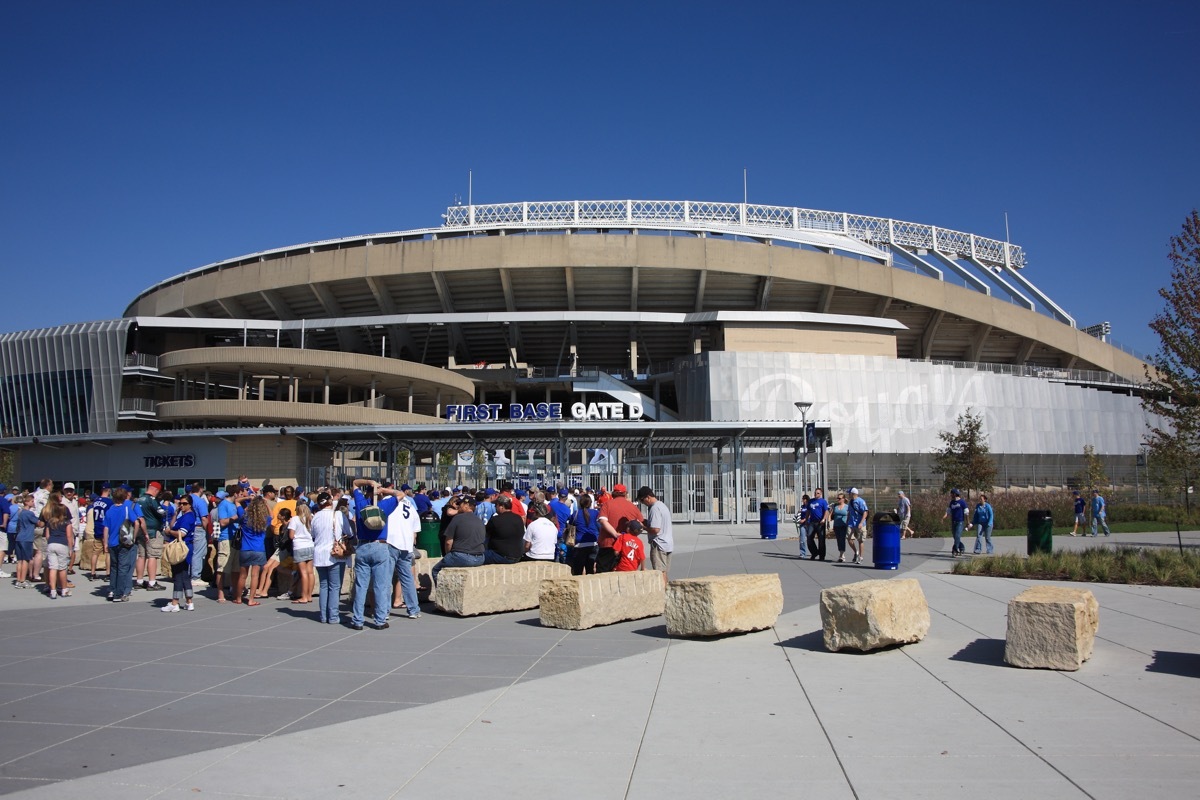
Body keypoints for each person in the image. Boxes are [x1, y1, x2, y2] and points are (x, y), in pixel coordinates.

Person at [349, 479, 399, 630]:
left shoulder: (360, 504)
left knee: (361, 586)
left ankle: (357, 620)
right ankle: (380, 619)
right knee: (381, 585)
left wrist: (369, 482)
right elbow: (400, 494)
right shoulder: (384, 506)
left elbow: (355, 483)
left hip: (363, 545)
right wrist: (385, 490)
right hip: (380, 545)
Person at [378, 484, 421, 619]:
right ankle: (414, 609)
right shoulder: (409, 503)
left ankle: (384, 612)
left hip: (391, 542)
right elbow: (416, 529)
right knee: (407, 578)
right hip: (406, 544)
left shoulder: (387, 502)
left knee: (385, 579)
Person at [310, 492, 348, 624]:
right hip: (334, 553)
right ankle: (333, 616)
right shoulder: (338, 515)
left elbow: (313, 534)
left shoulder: (315, 517)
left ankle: (323, 615)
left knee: (324, 585)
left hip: (319, 553)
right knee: (335, 586)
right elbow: (349, 532)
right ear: (330, 501)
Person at [431, 495, 486, 583]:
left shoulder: (457, 518)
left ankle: (444, 596)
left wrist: (448, 556)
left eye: (460, 504)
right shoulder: (479, 521)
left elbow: (448, 542)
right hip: (480, 558)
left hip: (462, 557)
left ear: (466, 505)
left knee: (436, 570)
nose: (458, 506)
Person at [102, 487, 142, 602]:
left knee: (114, 567)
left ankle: (112, 590)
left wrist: (105, 542)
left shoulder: (109, 510)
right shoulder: (126, 508)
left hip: (112, 542)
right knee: (123, 568)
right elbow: (136, 522)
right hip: (124, 542)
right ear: (125, 497)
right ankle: (119, 593)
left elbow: (106, 528)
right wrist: (133, 537)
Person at [162, 496, 196, 612]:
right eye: (180, 503)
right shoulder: (184, 516)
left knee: (178, 575)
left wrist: (169, 532)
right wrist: (175, 514)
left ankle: (175, 602)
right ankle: (189, 601)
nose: (181, 506)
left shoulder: (188, 517)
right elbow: (173, 525)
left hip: (181, 548)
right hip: (185, 547)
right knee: (185, 575)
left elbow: (182, 533)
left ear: (190, 504)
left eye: (184, 503)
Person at [236, 495, 271, 607]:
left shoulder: (244, 517)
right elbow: (272, 515)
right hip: (259, 550)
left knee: (242, 575)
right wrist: (265, 503)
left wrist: (249, 498)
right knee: (255, 575)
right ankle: (251, 599)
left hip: (245, 548)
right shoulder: (264, 519)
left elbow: (236, 501)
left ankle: (238, 598)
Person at [38, 493, 74, 598]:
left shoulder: (50, 522)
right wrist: (70, 548)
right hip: (62, 544)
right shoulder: (67, 522)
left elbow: (48, 535)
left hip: (51, 544)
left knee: (52, 567)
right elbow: (69, 536)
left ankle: (52, 590)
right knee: (62, 568)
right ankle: (63, 589)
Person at [134, 482, 167, 592]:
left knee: (141, 556)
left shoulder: (139, 499)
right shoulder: (152, 500)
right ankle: (152, 582)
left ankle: (139, 580)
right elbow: (161, 512)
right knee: (152, 555)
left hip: (140, 531)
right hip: (152, 531)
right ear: (156, 490)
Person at [636, 486, 674, 575]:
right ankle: (665, 588)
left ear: (648, 497)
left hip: (659, 544)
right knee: (664, 572)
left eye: (642, 500)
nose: (642, 503)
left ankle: (662, 589)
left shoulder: (654, 508)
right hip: (667, 543)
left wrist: (643, 527)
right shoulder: (662, 505)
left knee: (659, 573)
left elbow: (655, 529)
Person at [214, 485, 243, 603]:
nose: (242, 496)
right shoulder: (224, 504)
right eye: (241, 494)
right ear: (235, 494)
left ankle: (235, 590)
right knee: (222, 567)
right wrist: (236, 517)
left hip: (236, 539)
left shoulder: (235, 505)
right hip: (226, 538)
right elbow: (222, 522)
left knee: (236, 568)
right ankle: (220, 593)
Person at [286, 504, 316, 603]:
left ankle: (303, 596)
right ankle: (309, 595)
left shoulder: (295, 519)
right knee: (310, 572)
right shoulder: (311, 518)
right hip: (310, 545)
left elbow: (291, 535)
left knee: (303, 573)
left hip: (299, 546)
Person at [484, 494, 526, 564]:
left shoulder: (495, 520)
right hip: (517, 556)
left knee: (478, 556)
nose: (495, 507)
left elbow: (486, 534)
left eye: (496, 505)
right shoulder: (518, 518)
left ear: (502, 507)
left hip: (501, 556)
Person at [568, 493, 600, 575]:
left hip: (579, 545)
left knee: (577, 571)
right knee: (590, 570)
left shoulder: (575, 514)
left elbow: (570, 524)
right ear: (590, 503)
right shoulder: (596, 513)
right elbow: (599, 526)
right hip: (593, 544)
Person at [87, 483, 113, 580]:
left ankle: (92, 573)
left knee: (95, 552)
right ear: (108, 490)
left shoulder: (96, 501)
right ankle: (108, 573)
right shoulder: (109, 502)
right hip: (105, 528)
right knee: (108, 552)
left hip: (97, 527)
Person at [12, 494, 38, 588]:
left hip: (19, 537)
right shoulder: (29, 513)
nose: (33, 503)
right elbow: (38, 522)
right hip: (27, 538)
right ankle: (22, 580)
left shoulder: (20, 512)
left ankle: (19, 580)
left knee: (19, 560)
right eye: (31, 501)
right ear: (27, 502)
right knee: (26, 560)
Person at [187, 482, 209, 584]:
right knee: (198, 553)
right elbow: (204, 518)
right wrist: (206, 530)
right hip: (198, 528)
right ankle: (195, 577)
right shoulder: (200, 501)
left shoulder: (186, 499)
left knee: (189, 551)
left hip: (187, 527)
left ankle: (188, 574)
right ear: (200, 490)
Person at [805, 488, 830, 562]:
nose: (816, 494)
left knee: (821, 540)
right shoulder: (811, 501)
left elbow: (826, 511)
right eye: (815, 493)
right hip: (812, 522)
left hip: (820, 522)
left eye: (818, 493)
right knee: (809, 538)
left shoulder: (823, 502)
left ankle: (822, 556)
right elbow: (808, 511)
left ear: (821, 494)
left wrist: (824, 519)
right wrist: (806, 520)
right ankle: (814, 552)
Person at [942, 488, 968, 558]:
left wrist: (968, 522)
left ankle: (955, 550)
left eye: (951, 494)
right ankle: (961, 547)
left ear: (955, 494)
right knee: (955, 537)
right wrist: (943, 517)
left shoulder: (962, 502)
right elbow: (948, 511)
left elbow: (966, 512)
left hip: (960, 522)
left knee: (957, 536)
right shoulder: (952, 502)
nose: (951, 495)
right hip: (953, 521)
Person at [847, 488, 869, 564]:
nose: (848, 495)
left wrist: (861, 522)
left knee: (860, 540)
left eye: (849, 493)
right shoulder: (850, 502)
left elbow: (865, 512)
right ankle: (856, 552)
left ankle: (860, 557)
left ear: (853, 494)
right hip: (851, 523)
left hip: (860, 523)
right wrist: (847, 521)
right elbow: (849, 512)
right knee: (849, 538)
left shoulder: (861, 501)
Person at [831, 491, 850, 562]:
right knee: (838, 540)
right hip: (836, 525)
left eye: (840, 498)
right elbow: (831, 514)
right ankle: (841, 553)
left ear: (843, 499)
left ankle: (842, 555)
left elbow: (849, 515)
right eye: (837, 498)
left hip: (844, 525)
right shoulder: (835, 506)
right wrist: (829, 523)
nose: (838, 499)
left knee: (842, 539)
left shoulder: (847, 507)